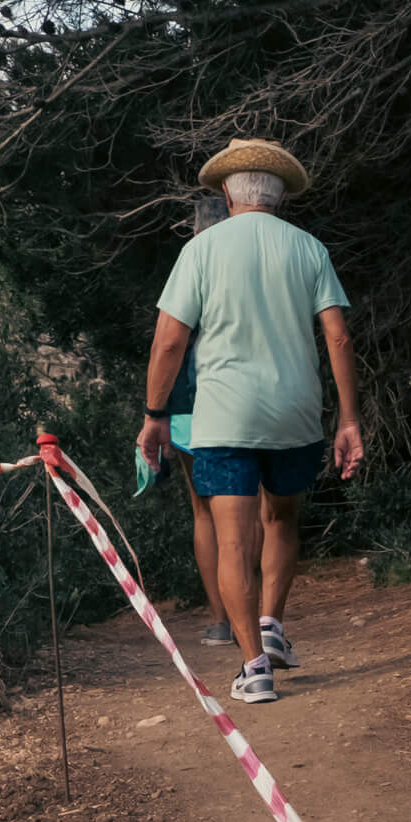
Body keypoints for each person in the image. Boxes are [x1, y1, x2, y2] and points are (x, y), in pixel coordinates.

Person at [136, 139, 363, 705]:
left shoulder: (202, 250)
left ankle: (253, 668)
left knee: (233, 541)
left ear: (229, 196)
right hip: (295, 414)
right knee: (282, 519)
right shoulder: (309, 249)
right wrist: (349, 419)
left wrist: (154, 415)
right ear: (280, 196)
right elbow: (337, 334)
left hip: (223, 416)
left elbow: (169, 342)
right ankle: (272, 624)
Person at [167, 194, 233, 648]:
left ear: (195, 229)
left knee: (205, 511)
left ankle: (221, 620)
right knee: (259, 509)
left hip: (190, 404)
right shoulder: (243, 263)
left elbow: (171, 340)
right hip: (238, 396)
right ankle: (262, 616)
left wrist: (157, 414)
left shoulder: (189, 261)